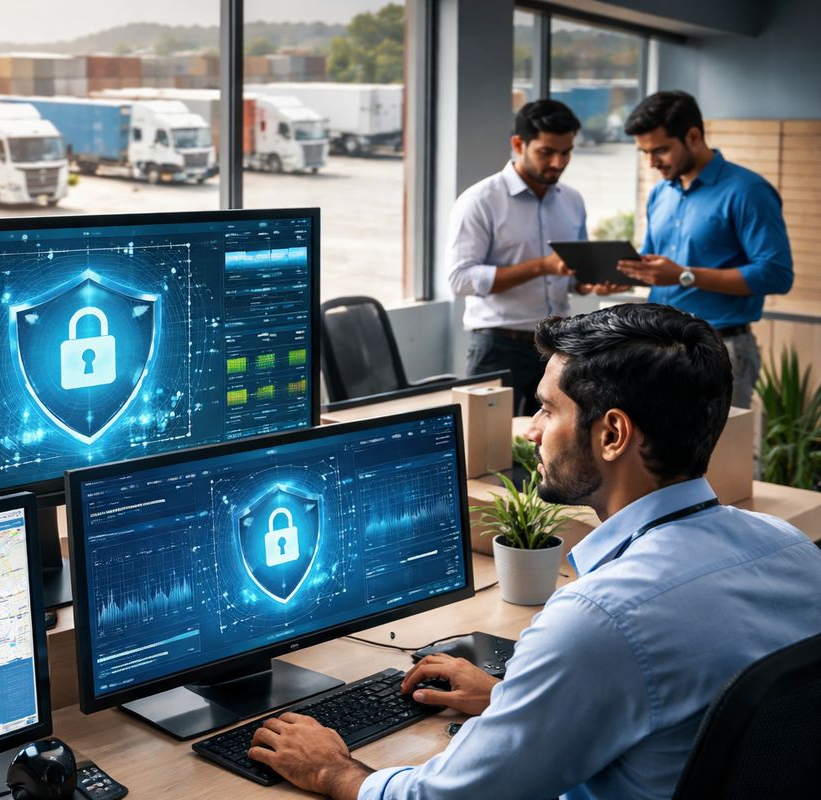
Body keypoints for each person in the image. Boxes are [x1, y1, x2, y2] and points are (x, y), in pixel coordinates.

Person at [246, 303, 821, 800]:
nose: (531, 432)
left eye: (548, 409)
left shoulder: (600, 620)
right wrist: (513, 700)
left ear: (613, 434)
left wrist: (334, 769)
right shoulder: (793, 551)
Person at [449, 99, 624, 416]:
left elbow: (572, 276)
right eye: (547, 152)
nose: (558, 162)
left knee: (554, 449)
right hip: (498, 346)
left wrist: (590, 285)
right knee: (486, 447)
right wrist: (541, 267)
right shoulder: (479, 201)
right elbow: (461, 280)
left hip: (558, 347)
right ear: (519, 144)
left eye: (567, 152)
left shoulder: (572, 200)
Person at [619, 90, 793, 408]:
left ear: (693, 135)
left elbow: (777, 274)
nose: (651, 162)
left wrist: (685, 275)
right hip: (661, 346)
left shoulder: (748, 190)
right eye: (644, 152)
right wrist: (625, 274)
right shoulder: (661, 193)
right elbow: (660, 268)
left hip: (719, 347)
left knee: (721, 456)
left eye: (660, 150)